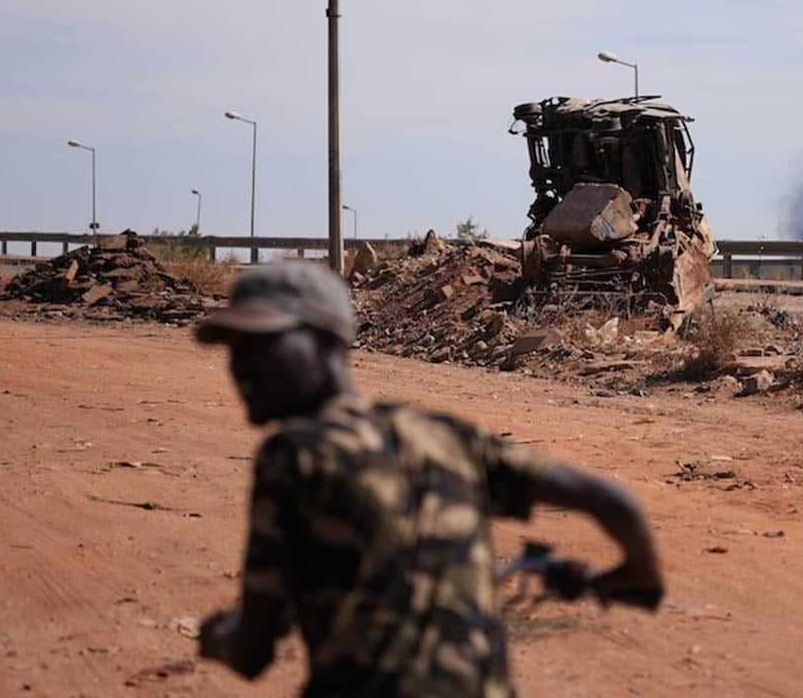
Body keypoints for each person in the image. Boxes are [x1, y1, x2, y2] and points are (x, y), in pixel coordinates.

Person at [193, 261, 663, 697]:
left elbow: (253, 653)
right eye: (235, 349)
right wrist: (639, 574)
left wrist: (219, 638)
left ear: (324, 342)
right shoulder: (443, 435)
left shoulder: (294, 454)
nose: (241, 366)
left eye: (262, 345)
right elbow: (613, 503)